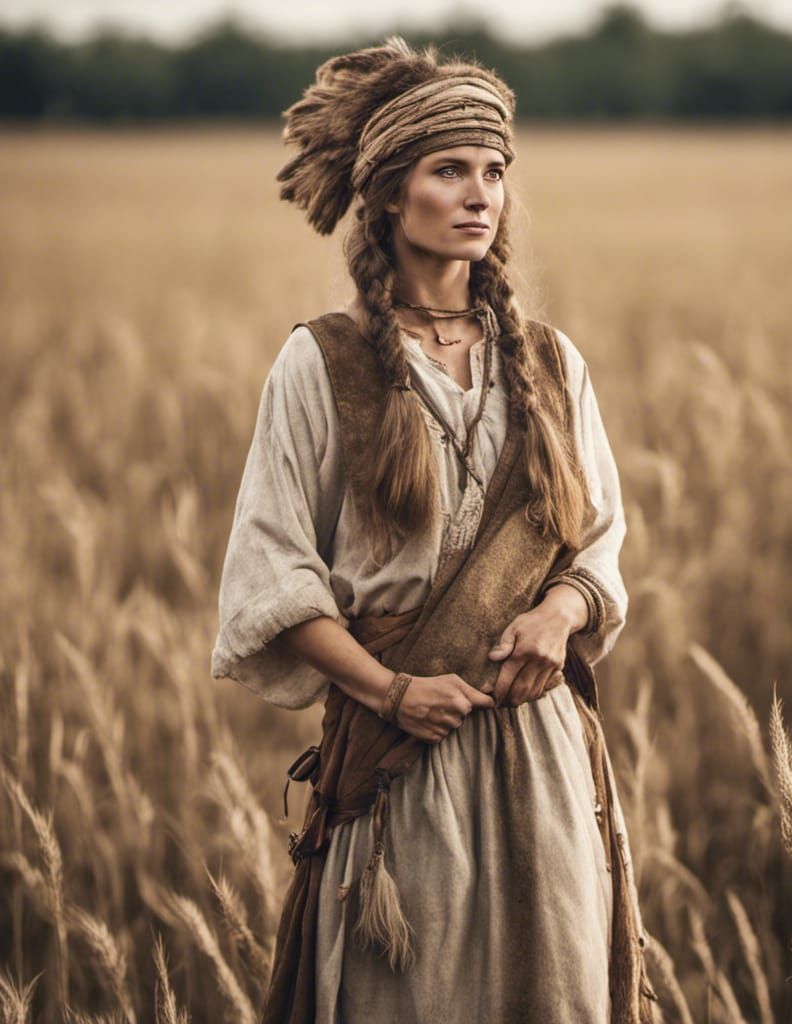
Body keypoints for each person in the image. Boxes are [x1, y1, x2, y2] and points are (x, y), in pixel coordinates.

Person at [211, 36, 658, 1024]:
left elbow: (599, 536)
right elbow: (275, 578)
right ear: (384, 194)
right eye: (448, 170)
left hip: (538, 754)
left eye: (494, 172)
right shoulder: (319, 366)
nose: (479, 194)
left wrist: (563, 609)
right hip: (397, 760)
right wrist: (393, 689)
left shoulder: (548, 361)